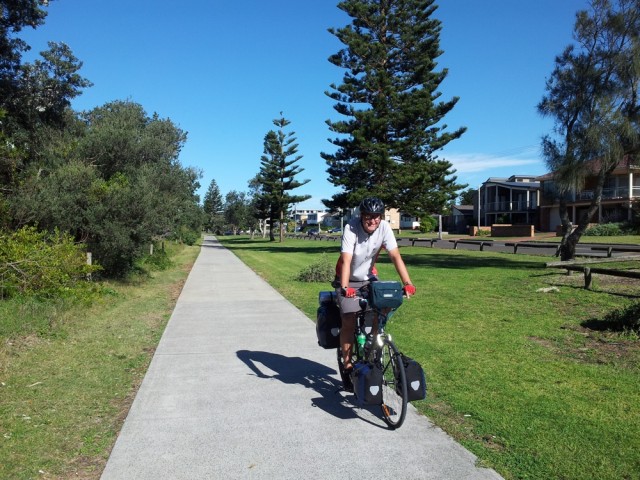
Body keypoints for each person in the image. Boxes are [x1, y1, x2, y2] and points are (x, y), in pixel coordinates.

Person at [335, 197, 416, 388]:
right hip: (348, 279)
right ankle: (347, 365)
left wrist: (408, 283)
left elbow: (395, 255)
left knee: (385, 302)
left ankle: (372, 340)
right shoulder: (351, 228)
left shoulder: (384, 228)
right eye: (368, 217)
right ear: (361, 216)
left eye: (376, 217)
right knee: (348, 317)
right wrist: (345, 288)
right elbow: (346, 260)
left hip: (368, 278)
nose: (372, 221)